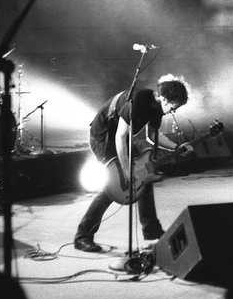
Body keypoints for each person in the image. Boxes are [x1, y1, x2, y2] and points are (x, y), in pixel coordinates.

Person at [74, 76, 192, 253]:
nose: (172, 112)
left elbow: (151, 136)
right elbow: (119, 137)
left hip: (121, 138)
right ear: (164, 98)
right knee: (113, 187)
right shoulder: (137, 102)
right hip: (103, 137)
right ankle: (82, 236)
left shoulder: (157, 108)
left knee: (144, 178)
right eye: (172, 107)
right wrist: (126, 170)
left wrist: (176, 147)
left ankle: (152, 231)